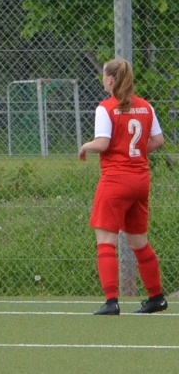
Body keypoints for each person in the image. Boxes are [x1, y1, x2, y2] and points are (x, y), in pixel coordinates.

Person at [77, 57, 167, 315]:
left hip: (116, 179)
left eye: (104, 76)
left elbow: (102, 143)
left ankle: (111, 301)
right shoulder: (146, 106)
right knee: (138, 240)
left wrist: (85, 146)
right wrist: (135, 153)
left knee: (106, 241)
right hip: (140, 180)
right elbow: (158, 140)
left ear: (110, 80)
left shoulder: (105, 107)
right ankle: (157, 297)